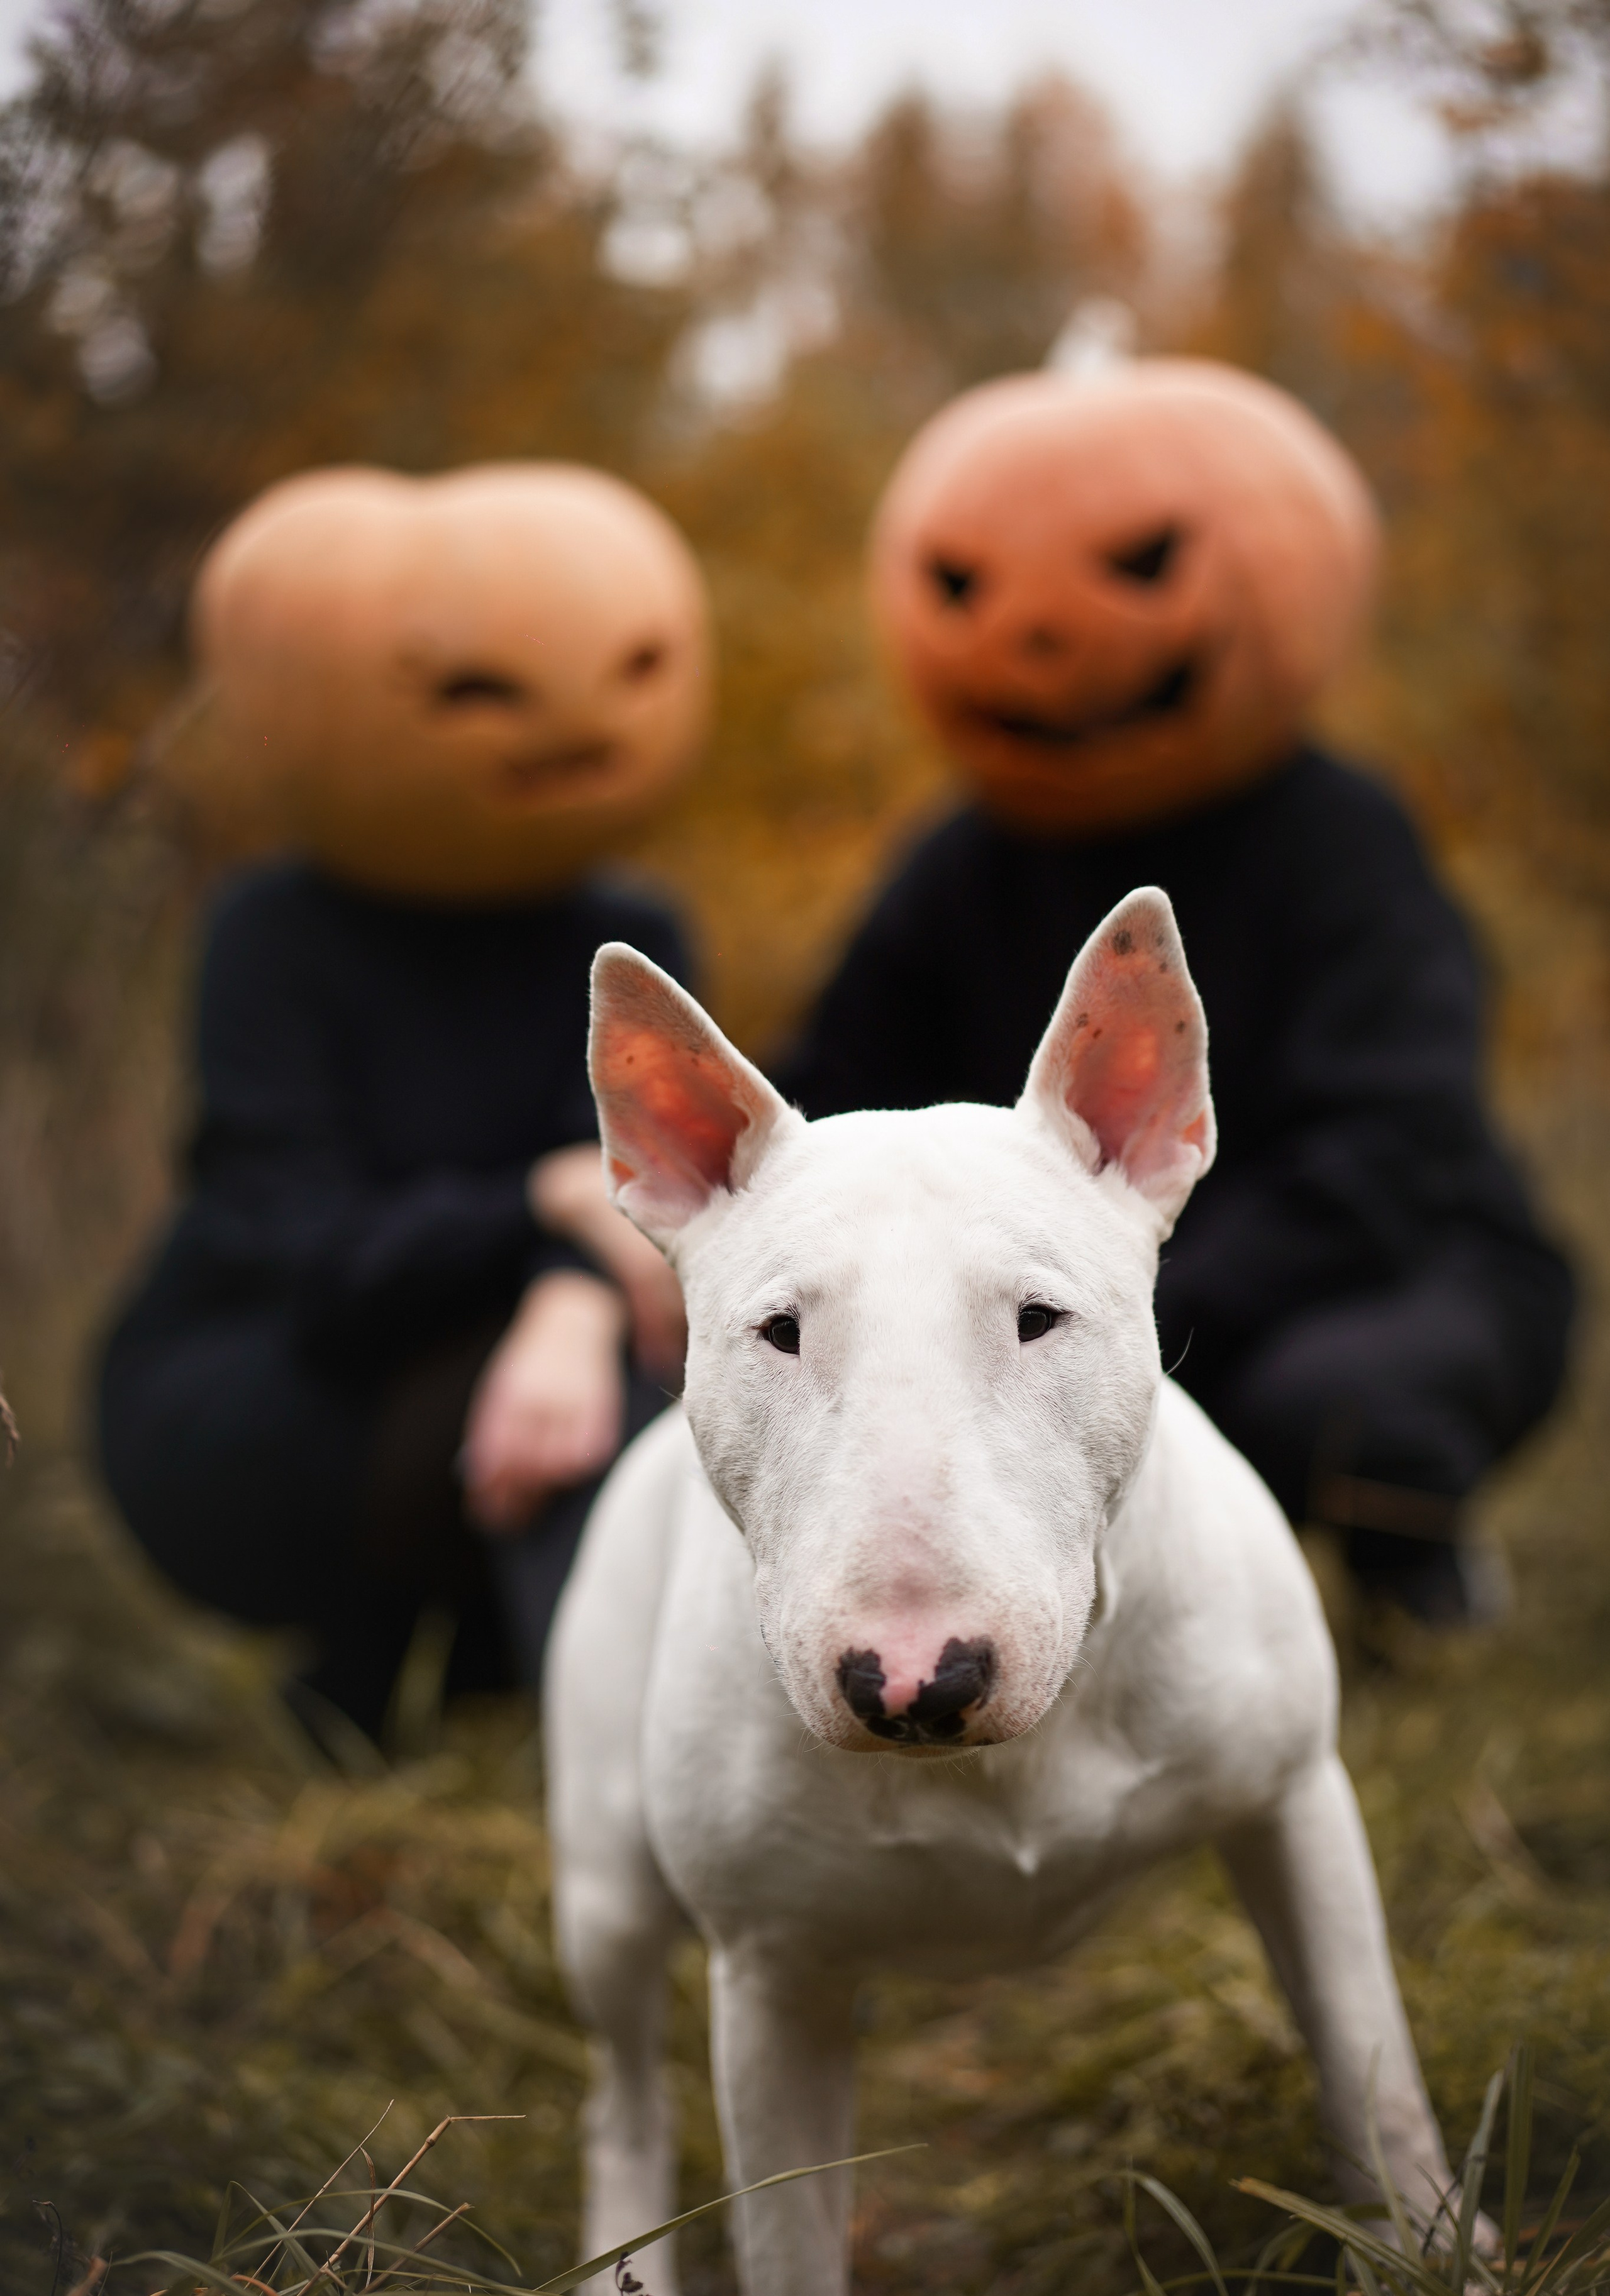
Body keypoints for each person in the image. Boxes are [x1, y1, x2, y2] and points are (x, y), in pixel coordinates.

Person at [783, 360, 1573, 1628]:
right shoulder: (960, 867)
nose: (1037, 633)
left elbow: (1393, 1143)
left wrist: (1135, 1287)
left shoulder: (1338, 838)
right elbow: (833, 1081)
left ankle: (1406, 1587)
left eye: (1140, 563)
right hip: (1075, 1292)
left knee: (1329, 1402)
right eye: (962, 589)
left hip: (1389, 1273)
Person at [99, 462, 710, 1738]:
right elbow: (321, 1259)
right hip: (277, 1386)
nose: (561, 719)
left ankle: (561, 1706)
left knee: (673, 1373)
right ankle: (574, 1738)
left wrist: (567, 1299)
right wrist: (550, 1202)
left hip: (533, 1366)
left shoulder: (629, 932)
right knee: (615, 1402)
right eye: (474, 689)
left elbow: (656, 1211)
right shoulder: (273, 933)